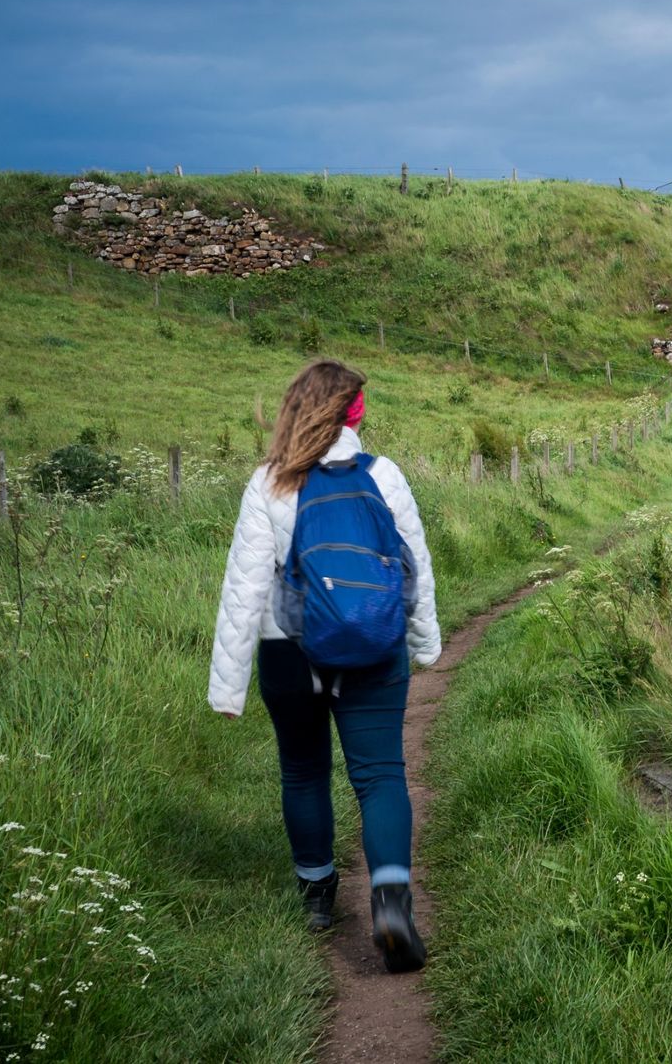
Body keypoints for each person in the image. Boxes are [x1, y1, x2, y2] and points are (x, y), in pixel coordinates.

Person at [207, 359, 441, 972]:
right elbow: (414, 568)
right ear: (354, 414)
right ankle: (391, 900)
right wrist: (426, 643)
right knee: (382, 775)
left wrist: (228, 686)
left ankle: (316, 895)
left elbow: (243, 589)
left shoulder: (269, 482)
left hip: (289, 650)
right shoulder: (383, 476)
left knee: (304, 771)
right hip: (372, 645)